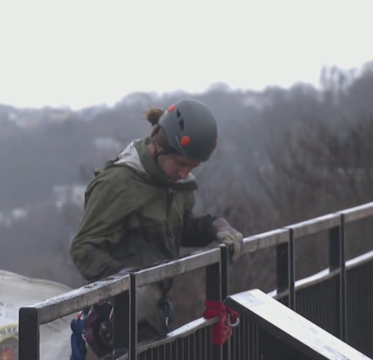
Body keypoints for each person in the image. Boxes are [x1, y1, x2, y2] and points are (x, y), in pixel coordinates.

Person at [68, 98, 244, 359]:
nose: (185, 174)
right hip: (116, 324)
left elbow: (177, 228)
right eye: (181, 164)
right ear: (159, 147)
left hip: (153, 316)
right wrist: (127, 282)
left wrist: (215, 227)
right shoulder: (120, 183)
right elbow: (83, 248)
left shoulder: (174, 183)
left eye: (192, 167)